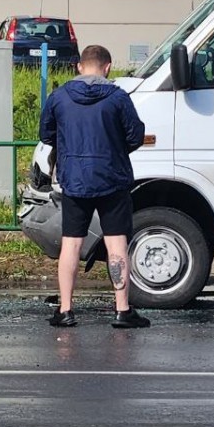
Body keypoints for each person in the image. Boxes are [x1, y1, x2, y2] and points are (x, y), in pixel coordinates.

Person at [39, 43, 149, 330]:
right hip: (113, 179)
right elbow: (135, 135)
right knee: (116, 244)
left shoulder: (59, 97)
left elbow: (46, 134)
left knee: (71, 245)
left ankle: (65, 310)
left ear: (79, 66)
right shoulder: (118, 98)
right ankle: (123, 311)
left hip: (74, 181)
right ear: (108, 67)